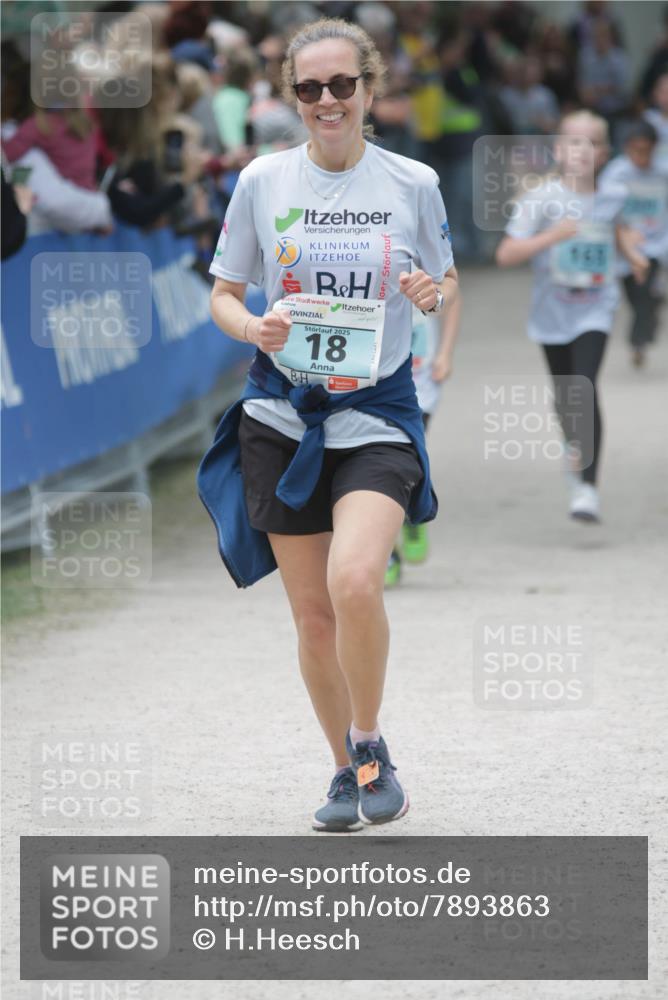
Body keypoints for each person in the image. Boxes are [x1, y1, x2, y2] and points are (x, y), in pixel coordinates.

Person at [197, 17, 457, 832]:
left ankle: (373, 744)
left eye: (343, 85)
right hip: (281, 412)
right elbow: (224, 292)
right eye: (310, 88)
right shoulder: (262, 181)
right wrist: (252, 329)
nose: (327, 101)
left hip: (375, 410)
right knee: (312, 615)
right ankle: (343, 772)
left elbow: (442, 278)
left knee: (355, 582)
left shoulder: (411, 181)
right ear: (293, 98)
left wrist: (428, 297)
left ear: (370, 90)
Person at [495, 111, 648, 524]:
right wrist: (552, 236)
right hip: (552, 312)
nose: (583, 151)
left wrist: (632, 253)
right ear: (558, 150)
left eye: (593, 143)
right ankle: (574, 446)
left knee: (583, 386)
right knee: (566, 396)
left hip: (597, 306)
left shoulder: (614, 193)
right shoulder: (540, 199)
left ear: (605, 153)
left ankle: (587, 488)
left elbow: (618, 225)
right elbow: (506, 254)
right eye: (573, 142)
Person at [385, 291, 461, 587]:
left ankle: (412, 510)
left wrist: (445, 353)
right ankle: (387, 552)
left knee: (408, 456)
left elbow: (453, 296)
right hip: (375, 379)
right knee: (378, 463)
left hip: (420, 377)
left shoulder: (426, 246)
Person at [599, 120, 668, 366]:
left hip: (656, 245)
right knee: (636, 296)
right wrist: (623, 234)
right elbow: (605, 210)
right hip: (625, 247)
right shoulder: (616, 173)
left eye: (646, 150)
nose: (641, 156)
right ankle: (648, 321)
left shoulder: (663, 172)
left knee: (644, 293)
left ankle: (637, 342)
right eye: (635, 150)